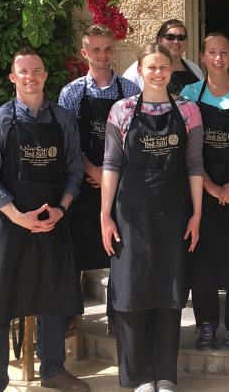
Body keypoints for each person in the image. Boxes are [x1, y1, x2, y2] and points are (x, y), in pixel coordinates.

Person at [0, 49, 88, 392]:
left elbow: (74, 172)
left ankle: (53, 369)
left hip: (52, 222)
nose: (30, 77)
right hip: (9, 226)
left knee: (52, 295)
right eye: (23, 72)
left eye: (36, 71)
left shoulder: (64, 120)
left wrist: (62, 208)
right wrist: (17, 216)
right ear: (13, 77)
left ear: (44, 76)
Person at [100, 44, 204, 392]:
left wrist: (197, 214)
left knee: (169, 291)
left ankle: (165, 375)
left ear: (171, 70)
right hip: (130, 214)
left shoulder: (189, 111)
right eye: (151, 67)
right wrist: (105, 215)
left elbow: (194, 165)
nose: (158, 73)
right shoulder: (122, 111)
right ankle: (139, 376)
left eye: (163, 67)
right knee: (132, 291)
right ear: (140, 72)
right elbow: (112, 165)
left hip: (174, 214)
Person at [179, 33, 229, 352]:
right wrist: (210, 186)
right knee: (202, 258)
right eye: (211, 52)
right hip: (202, 189)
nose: (217, 58)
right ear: (202, 57)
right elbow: (187, 148)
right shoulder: (188, 93)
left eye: (223, 52)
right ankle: (207, 323)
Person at [58, 25, 139, 274]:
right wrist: (93, 170)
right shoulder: (71, 93)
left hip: (122, 181)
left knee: (121, 251)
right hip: (83, 182)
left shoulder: (131, 91)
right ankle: (77, 309)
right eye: (96, 50)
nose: (103, 55)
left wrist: (112, 172)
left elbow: (136, 141)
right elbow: (66, 143)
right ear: (85, 53)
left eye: (107, 49)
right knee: (79, 248)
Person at [123, 19, 204, 95]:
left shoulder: (195, 69)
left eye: (181, 37)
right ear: (159, 40)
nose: (176, 41)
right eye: (170, 37)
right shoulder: (139, 68)